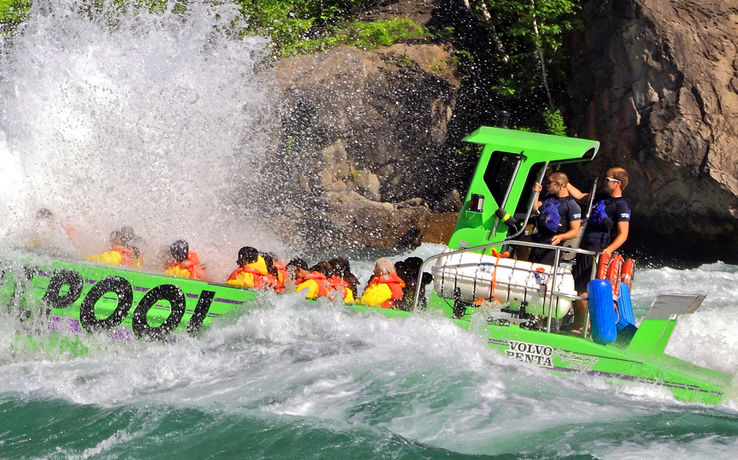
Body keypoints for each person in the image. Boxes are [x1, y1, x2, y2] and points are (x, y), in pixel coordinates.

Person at [567, 167, 631, 331]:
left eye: (606, 179)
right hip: (584, 248)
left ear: (617, 183)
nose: (603, 182)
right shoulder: (600, 198)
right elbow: (580, 196)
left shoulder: (621, 205)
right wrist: (563, 183)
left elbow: (623, 234)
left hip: (597, 249)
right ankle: (579, 322)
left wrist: (608, 250)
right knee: (574, 285)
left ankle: (583, 325)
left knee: (582, 289)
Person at [528, 171, 581, 265]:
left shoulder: (572, 205)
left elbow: (575, 231)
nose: (546, 185)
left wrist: (561, 237)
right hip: (539, 239)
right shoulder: (548, 198)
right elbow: (534, 210)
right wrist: (536, 193)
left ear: (558, 183)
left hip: (553, 244)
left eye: (548, 182)